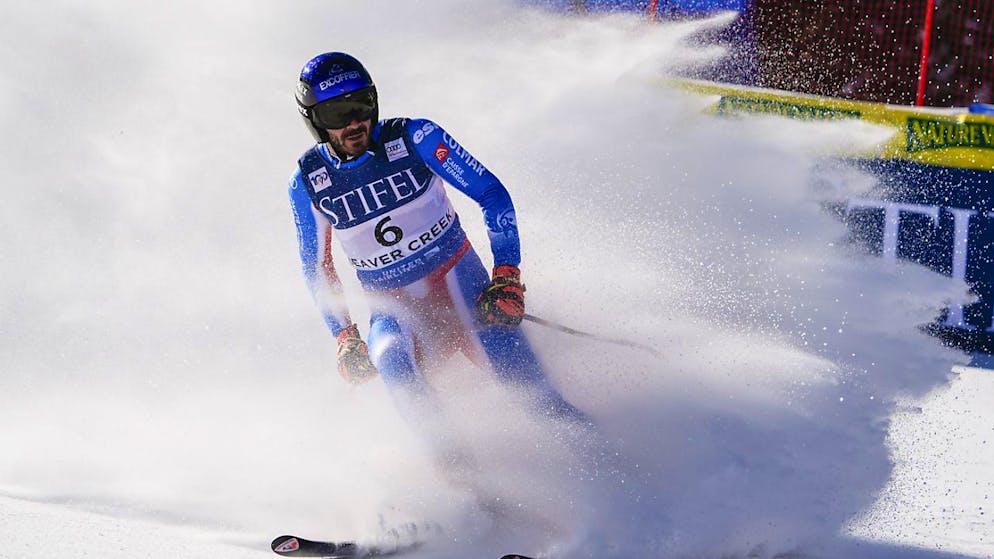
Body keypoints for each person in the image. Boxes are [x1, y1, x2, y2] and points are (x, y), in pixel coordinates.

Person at [288, 52, 586, 432]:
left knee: (547, 409)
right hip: (399, 318)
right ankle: (462, 483)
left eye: (362, 105)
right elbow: (317, 267)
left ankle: (626, 469)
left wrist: (507, 277)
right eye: (336, 115)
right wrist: (345, 338)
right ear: (314, 121)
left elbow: (491, 194)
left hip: (472, 299)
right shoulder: (307, 182)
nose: (354, 123)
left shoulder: (417, 137)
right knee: (392, 360)